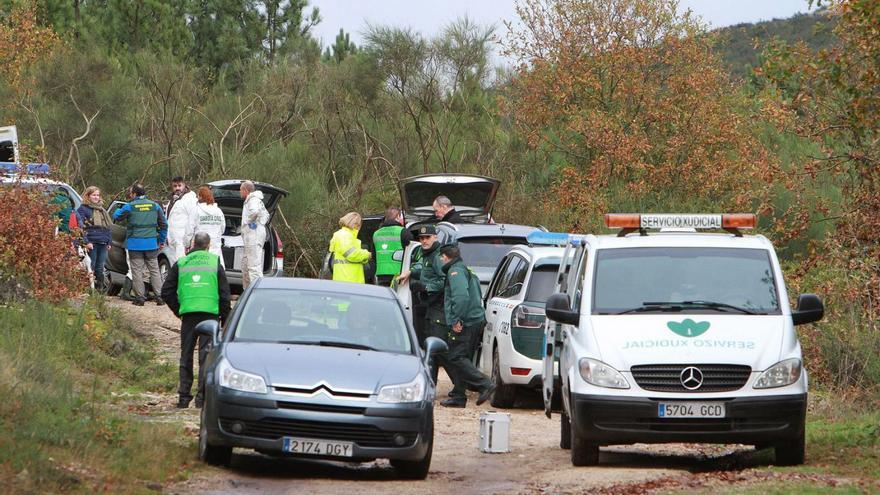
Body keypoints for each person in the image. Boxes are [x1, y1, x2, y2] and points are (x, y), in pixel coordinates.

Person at [161, 232, 231, 409]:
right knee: (206, 357)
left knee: (186, 356)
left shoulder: (182, 263)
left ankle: (184, 397)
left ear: (193, 244)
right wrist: (225, 318)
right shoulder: (215, 263)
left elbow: (166, 292)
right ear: (207, 245)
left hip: (189, 316)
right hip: (210, 315)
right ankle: (202, 399)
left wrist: (180, 311)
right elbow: (224, 294)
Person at [437, 244, 495, 408]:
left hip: (466, 322)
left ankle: (485, 384)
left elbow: (461, 297)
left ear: (446, 257)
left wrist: (456, 320)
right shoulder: (466, 269)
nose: (440, 260)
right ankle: (458, 395)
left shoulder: (455, 271)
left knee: (456, 357)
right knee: (464, 357)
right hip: (475, 320)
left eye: (441, 257)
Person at [397, 225, 447, 372]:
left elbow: (444, 280)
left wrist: (426, 287)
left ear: (435, 237)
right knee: (432, 348)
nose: (424, 241)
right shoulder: (427, 253)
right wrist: (410, 271)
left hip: (440, 306)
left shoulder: (437, 256)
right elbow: (422, 267)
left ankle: (478, 383)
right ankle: (432, 382)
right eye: (422, 238)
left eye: (428, 237)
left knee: (438, 350)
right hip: (430, 306)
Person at [113, 183, 168, 306]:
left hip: (135, 244)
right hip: (151, 243)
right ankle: (159, 297)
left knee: (137, 270)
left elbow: (116, 216)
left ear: (134, 194)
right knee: (154, 270)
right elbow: (164, 224)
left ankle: (140, 298)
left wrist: (117, 209)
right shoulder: (155, 206)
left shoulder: (129, 206)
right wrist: (161, 240)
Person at [77, 186, 113, 291]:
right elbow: (81, 227)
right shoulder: (83, 209)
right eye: (94, 195)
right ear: (88, 196)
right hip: (91, 242)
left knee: (100, 267)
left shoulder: (102, 210)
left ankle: (100, 289)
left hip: (103, 241)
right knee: (90, 266)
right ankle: (88, 289)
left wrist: (109, 241)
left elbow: (108, 227)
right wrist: (86, 242)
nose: (96, 197)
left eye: (97, 195)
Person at [239, 180, 269, 289]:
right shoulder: (251, 200)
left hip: (254, 237)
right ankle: (247, 293)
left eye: (240, 190)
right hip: (251, 238)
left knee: (253, 267)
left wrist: (248, 222)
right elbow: (266, 215)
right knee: (246, 266)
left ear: (246, 190)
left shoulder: (253, 200)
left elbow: (255, 212)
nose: (239, 192)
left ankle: (257, 293)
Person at [329, 212, 372, 283]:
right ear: (355, 223)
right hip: (348, 279)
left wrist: (364, 259)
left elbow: (354, 257)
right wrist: (367, 254)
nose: (359, 226)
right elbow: (352, 254)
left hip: (348, 279)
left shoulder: (348, 235)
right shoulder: (344, 235)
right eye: (358, 224)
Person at [190, 186, 226, 267]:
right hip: (215, 246)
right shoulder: (218, 211)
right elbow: (223, 228)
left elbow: (189, 230)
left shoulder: (196, 210)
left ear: (201, 196)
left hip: (199, 246)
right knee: (215, 269)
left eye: (198, 196)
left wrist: (186, 244)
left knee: (201, 270)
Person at [166, 176, 198, 265]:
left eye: (179, 186)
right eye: (175, 186)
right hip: (172, 239)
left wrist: (189, 240)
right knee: (173, 264)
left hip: (182, 239)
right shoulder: (172, 200)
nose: (177, 188)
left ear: (184, 185)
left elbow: (194, 219)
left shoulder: (190, 199)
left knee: (182, 264)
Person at [373, 206, 405, 286]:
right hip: (398, 273)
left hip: (381, 273)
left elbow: (374, 255)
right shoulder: (402, 231)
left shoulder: (376, 233)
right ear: (398, 216)